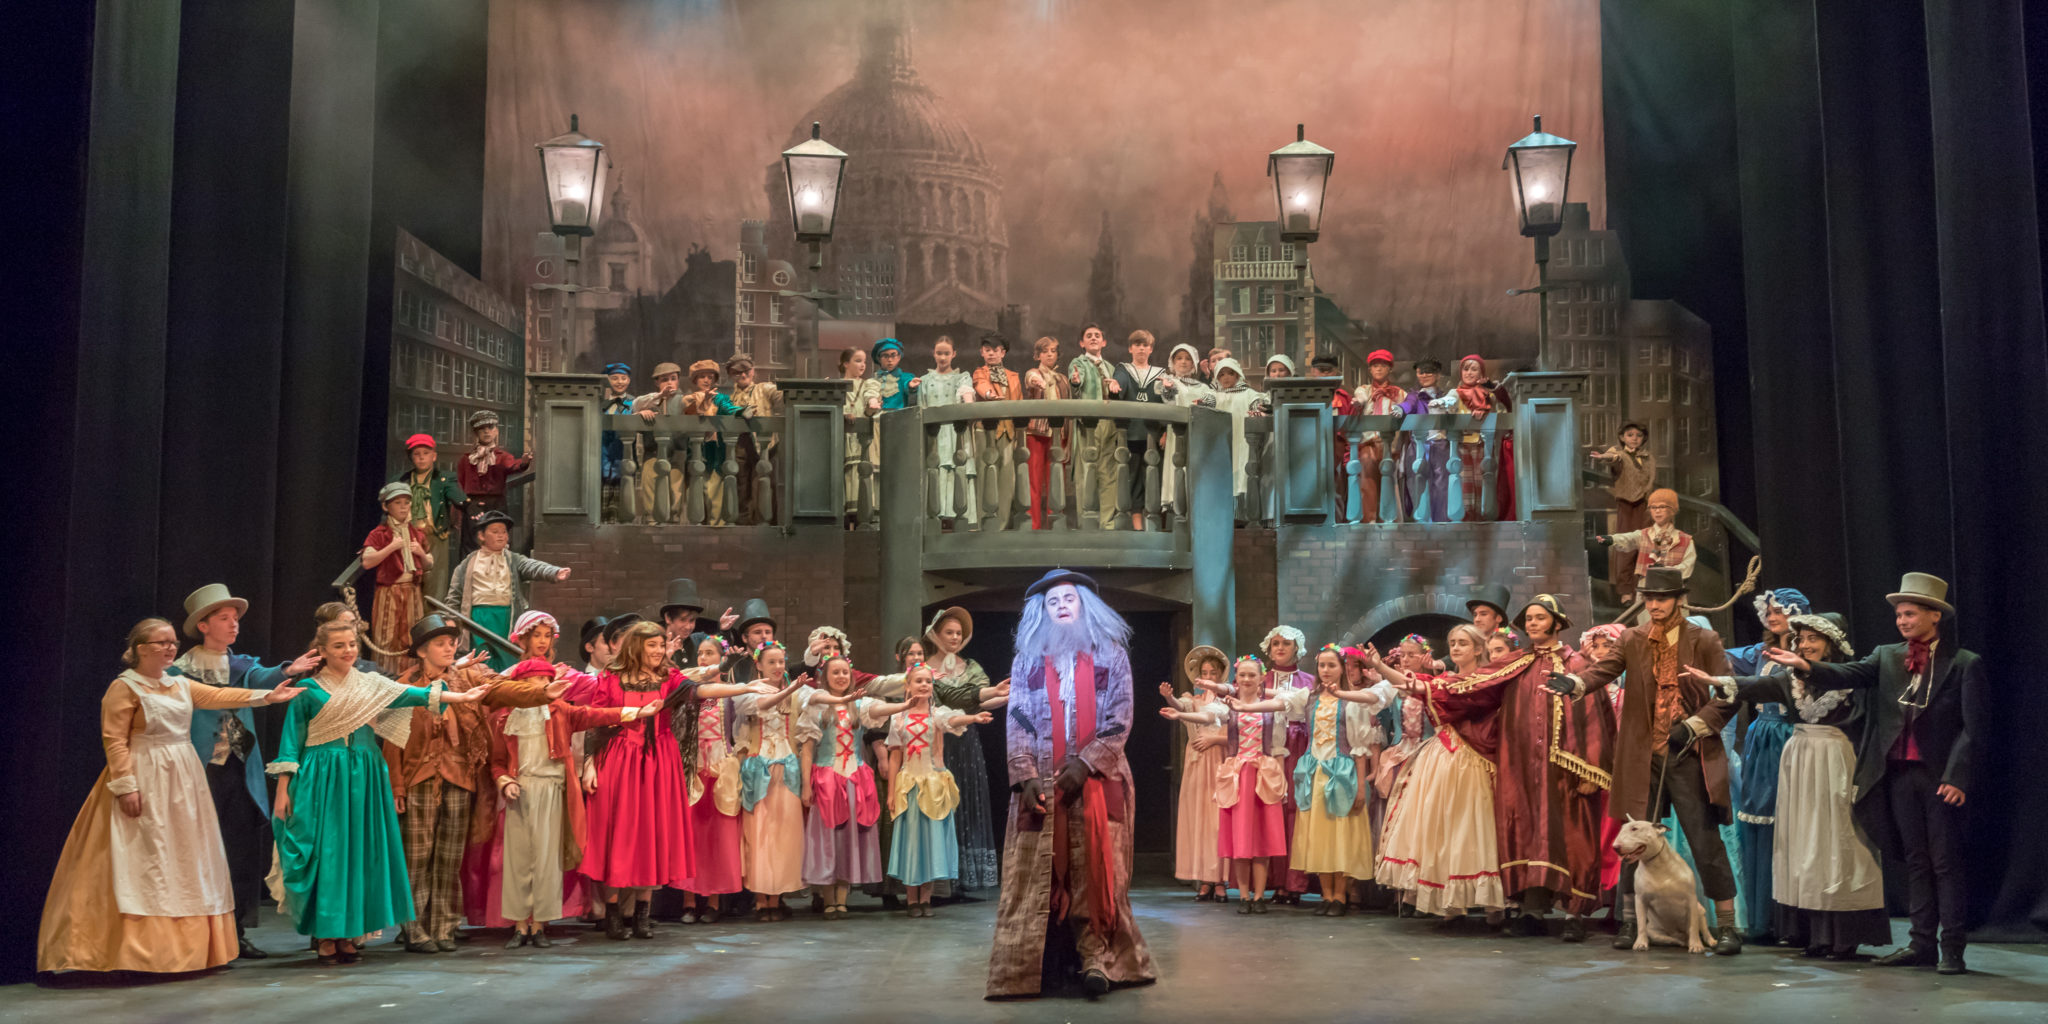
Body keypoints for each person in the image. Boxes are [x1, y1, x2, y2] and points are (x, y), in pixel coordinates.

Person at [36, 619, 304, 975]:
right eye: (161, 642)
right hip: (145, 771)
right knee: (144, 857)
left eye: (172, 642)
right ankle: (137, 951)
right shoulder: (125, 687)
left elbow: (218, 696)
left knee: (185, 857)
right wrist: (125, 785)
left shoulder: (179, 683)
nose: (169, 648)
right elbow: (114, 740)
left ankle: (188, 951)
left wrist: (267, 697)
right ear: (140, 649)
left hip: (183, 778)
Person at [1767, 572, 1986, 975]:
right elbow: (1849, 674)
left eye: (1910, 614)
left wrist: (1957, 777)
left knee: (1945, 864)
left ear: (1934, 616)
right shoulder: (1886, 656)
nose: (1902, 621)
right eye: (1899, 615)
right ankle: (1921, 944)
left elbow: (1973, 728)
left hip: (1938, 778)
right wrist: (1805, 666)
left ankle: (1952, 947)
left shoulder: (1963, 663)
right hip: (1897, 775)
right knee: (1915, 861)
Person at [269, 618, 493, 964]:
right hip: (323, 779)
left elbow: (414, 694)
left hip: (364, 777)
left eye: (352, 644)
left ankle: (349, 933)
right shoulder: (308, 691)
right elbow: (291, 743)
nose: (348, 651)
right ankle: (326, 933)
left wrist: (461, 695)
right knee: (329, 856)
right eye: (339, 646)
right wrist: (283, 789)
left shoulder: (370, 684)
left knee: (358, 855)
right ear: (323, 651)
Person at [1548, 567, 1740, 954]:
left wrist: (1695, 726)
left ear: (1679, 600)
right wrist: (1577, 682)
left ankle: (1727, 927)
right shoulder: (1633, 639)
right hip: (1642, 756)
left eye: (1662, 598)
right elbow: (1605, 669)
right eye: (1649, 598)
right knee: (1633, 840)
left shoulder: (1703, 639)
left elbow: (1729, 691)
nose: (1654, 605)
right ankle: (1630, 923)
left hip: (1687, 754)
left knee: (1704, 840)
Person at [988, 570, 1154, 999]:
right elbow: (1018, 718)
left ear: (1083, 605)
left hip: (1098, 780)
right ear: (1042, 612)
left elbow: (1120, 716)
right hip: (1041, 780)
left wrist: (1086, 762)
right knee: (1037, 873)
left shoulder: (1111, 655)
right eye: (1052, 602)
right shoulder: (1027, 659)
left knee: (1099, 871)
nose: (1061, 606)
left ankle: (1097, 958)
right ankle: (1035, 964)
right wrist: (1024, 774)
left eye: (1068, 599)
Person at [1691, 611, 1890, 960]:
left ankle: (1845, 935)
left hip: (1836, 762)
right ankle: (1815, 934)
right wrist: (1717, 679)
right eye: (1802, 639)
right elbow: (1756, 686)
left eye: (1814, 639)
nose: (1805, 645)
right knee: (1804, 847)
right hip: (1800, 763)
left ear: (1832, 643)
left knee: (1838, 845)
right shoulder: (1791, 679)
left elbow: (1872, 725)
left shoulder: (1853, 677)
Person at [570, 620, 768, 940]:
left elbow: (700, 690)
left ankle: (642, 913)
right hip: (619, 759)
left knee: (652, 834)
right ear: (636, 646)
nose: (658, 650)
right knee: (617, 834)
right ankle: (613, 912)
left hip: (658, 760)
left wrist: (743, 687)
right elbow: (596, 723)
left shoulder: (668, 677)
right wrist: (590, 765)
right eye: (652, 645)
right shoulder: (611, 678)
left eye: (661, 645)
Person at [386, 613, 567, 953]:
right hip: (418, 778)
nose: (448, 649)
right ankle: (414, 928)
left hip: (457, 776)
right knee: (417, 857)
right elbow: (393, 740)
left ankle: (444, 926)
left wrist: (542, 692)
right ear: (422, 651)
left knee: (449, 856)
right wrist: (396, 785)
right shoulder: (406, 683)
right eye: (440, 644)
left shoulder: (468, 676)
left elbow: (503, 688)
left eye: (451, 643)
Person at [1440, 595, 1615, 942]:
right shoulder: (1516, 663)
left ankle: (1574, 914)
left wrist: (1590, 770)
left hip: (1564, 770)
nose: (1533, 623)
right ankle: (1531, 910)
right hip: (1521, 767)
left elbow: (1596, 719)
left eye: (1540, 618)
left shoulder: (1578, 664)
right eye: (1529, 619)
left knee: (1572, 837)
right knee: (1527, 835)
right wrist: (1420, 685)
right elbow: (1477, 690)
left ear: (1557, 623)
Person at [169, 585, 320, 959]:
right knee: (201, 851)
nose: (233, 624)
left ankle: (234, 933)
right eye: (224, 618)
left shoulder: (240, 666)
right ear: (203, 626)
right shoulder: (180, 671)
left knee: (238, 851)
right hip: (201, 770)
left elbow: (263, 676)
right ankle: (197, 934)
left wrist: (288, 670)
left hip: (239, 771)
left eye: (235, 618)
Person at [487, 658, 654, 948]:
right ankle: (519, 925)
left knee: (546, 860)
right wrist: (505, 782)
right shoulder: (505, 718)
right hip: (521, 790)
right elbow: (498, 762)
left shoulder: (560, 711)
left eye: (546, 680)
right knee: (517, 861)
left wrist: (636, 712)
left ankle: (539, 925)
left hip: (553, 789)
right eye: (536, 680)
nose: (543, 685)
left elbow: (595, 715)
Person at [1230, 644, 1396, 915]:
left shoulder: (1352, 701)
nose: (1326, 670)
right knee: (1319, 836)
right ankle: (1326, 895)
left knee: (1341, 836)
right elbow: (1279, 702)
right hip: (1313, 773)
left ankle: (1340, 896)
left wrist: (1360, 787)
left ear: (1342, 669)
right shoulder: (1309, 697)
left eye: (1332, 665)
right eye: (1322, 666)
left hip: (1342, 773)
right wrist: (1246, 705)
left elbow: (1360, 744)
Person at [1368, 625, 1507, 922]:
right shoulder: (1444, 680)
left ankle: (1492, 904)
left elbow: (1424, 686)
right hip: (1442, 757)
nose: (1455, 648)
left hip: (1474, 759)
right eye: (1452, 643)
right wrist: (1380, 666)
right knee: (1442, 828)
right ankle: (1450, 901)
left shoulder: (1486, 680)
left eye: (1463, 643)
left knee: (1474, 827)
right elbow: (1414, 683)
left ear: (1478, 649)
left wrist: (1386, 670)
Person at [1725, 586, 1811, 944]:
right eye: (1769, 612)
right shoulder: (1759, 652)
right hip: (1761, 737)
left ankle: (1791, 920)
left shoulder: (1807, 650)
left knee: (1786, 821)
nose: (1773, 617)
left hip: (1790, 737)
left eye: (1780, 611)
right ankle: (1763, 918)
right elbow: (1721, 655)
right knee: (1758, 818)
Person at [884, 661, 1000, 917]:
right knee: (911, 843)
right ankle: (911, 899)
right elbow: (894, 756)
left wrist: (973, 717)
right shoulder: (898, 718)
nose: (924, 685)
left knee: (930, 842)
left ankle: (925, 899)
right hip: (909, 785)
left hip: (933, 785)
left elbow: (953, 719)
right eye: (919, 681)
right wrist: (891, 792)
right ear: (908, 685)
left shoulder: (936, 714)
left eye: (928, 681)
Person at [801, 654, 889, 918]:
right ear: (825, 677)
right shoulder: (816, 705)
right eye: (835, 672)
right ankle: (828, 898)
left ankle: (842, 899)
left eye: (845, 672)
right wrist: (806, 786)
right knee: (828, 840)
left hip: (854, 779)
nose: (841, 677)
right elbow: (807, 750)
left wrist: (907, 704)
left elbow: (881, 711)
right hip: (827, 779)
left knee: (849, 840)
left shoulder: (858, 706)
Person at [924, 606, 1002, 893]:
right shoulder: (924, 668)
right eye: (949, 632)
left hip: (966, 741)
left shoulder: (971, 667)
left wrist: (1008, 696)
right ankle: (940, 878)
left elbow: (982, 700)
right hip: (935, 741)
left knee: (966, 798)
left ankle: (965, 877)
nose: (955, 637)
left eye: (959, 633)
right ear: (936, 634)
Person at [445, 509, 570, 670]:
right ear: (481, 535)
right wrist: (450, 621)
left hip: (507, 617)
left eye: (504, 532)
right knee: (482, 661)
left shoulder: (513, 559)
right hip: (478, 618)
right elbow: (454, 596)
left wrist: (554, 572)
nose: (501, 536)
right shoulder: (467, 564)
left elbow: (532, 566)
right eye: (495, 532)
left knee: (508, 658)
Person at [674, 636, 743, 924]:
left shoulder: (731, 694)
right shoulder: (689, 690)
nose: (703, 658)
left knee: (718, 838)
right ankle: (689, 902)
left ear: (722, 658)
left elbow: (740, 731)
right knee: (692, 837)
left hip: (721, 770)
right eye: (700, 653)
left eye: (709, 653)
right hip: (694, 769)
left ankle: (713, 901)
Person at [1159, 646, 1229, 901]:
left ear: (1220, 676)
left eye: (1213, 673)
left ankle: (1219, 879)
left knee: (1216, 822)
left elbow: (1234, 732)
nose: (1208, 677)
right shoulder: (1194, 700)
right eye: (1204, 673)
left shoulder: (1227, 702)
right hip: (1196, 764)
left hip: (1218, 761)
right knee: (1198, 820)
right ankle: (1204, 879)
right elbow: (1181, 706)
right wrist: (1170, 699)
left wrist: (1214, 739)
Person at [1258, 626, 1315, 902]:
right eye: (1275, 643)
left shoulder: (1309, 681)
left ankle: (1295, 883)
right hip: (1266, 747)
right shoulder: (1259, 679)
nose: (1280, 648)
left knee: (1295, 810)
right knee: (1270, 811)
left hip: (1297, 747)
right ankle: (1274, 881)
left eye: (1286, 643)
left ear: (1297, 648)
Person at [363, 481, 433, 674]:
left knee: (412, 636)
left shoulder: (416, 534)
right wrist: (391, 547)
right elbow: (367, 561)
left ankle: (409, 678)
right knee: (386, 637)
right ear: (386, 507)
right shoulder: (379, 534)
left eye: (406, 502)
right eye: (397, 503)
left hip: (412, 590)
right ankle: (385, 677)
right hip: (389, 590)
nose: (403, 507)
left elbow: (429, 564)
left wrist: (420, 553)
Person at [1112, 329, 1177, 529]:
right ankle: (1137, 527)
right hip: (1130, 435)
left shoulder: (1161, 374)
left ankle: (1152, 525)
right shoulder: (1123, 370)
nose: (1141, 348)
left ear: (1151, 349)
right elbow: (1119, 385)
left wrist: (1165, 431)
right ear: (1130, 348)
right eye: (1137, 345)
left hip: (1153, 436)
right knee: (1132, 482)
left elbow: (1168, 403)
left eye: (1145, 345)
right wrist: (1115, 387)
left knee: (1153, 480)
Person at [1437, 354, 1510, 521]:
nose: (1469, 373)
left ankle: (1483, 513)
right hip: (1462, 444)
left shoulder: (1487, 394)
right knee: (1464, 480)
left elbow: (1500, 409)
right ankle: (1467, 514)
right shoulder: (1456, 393)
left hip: (1482, 444)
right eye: (1466, 369)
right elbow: (1449, 402)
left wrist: (1484, 409)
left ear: (1481, 373)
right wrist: (1442, 403)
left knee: (1482, 478)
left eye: (1474, 369)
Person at [1589, 423, 1656, 602]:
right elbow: (1613, 457)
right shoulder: (1620, 455)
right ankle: (1626, 590)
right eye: (1630, 435)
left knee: (1645, 546)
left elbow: (1650, 480)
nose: (1634, 438)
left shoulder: (1648, 457)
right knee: (1626, 547)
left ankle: (1641, 588)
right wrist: (1603, 457)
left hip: (1645, 506)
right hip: (1627, 505)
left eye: (1638, 435)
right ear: (1622, 437)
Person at [918, 336, 979, 526]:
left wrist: (968, 403)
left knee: (956, 466)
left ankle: (958, 515)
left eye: (946, 353)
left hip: (955, 433)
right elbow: (921, 407)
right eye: (939, 353)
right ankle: (935, 517)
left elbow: (966, 393)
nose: (942, 357)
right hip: (933, 434)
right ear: (933, 354)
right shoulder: (925, 380)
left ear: (954, 354)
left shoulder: (961, 377)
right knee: (934, 468)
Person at [1068, 323, 1124, 529]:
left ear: (1104, 342)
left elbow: (1116, 390)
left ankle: (1106, 522)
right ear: (1082, 343)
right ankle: (1086, 521)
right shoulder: (1079, 363)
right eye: (1089, 336)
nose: (1093, 338)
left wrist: (1116, 388)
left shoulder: (1110, 367)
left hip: (1109, 423)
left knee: (1108, 472)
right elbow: (1077, 380)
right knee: (1087, 470)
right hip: (1089, 424)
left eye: (1097, 335)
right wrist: (1075, 381)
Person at [680, 360, 749, 526]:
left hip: (715, 453)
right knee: (695, 493)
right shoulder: (689, 398)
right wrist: (704, 402)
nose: (706, 380)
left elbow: (729, 408)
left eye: (710, 377)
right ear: (695, 380)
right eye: (702, 377)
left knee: (715, 492)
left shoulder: (720, 398)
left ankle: (716, 528)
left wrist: (741, 411)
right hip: (696, 452)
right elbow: (691, 413)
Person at [399, 433, 467, 599]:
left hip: (434, 535)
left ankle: (433, 614)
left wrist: (465, 503)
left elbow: (459, 498)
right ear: (411, 457)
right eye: (417, 454)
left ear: (434, 456)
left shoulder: (443, 479)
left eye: (426, 453)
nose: (421, 457)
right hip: (408, 536)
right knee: (408, 579)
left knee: (435, 581)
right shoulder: (403, 480)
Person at [971, 330, 1025, 531]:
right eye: (987, 350)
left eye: (995, 350)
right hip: (985, 431)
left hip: (1007, 431)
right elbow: (981, 385)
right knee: (984, 475)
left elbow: (1019, 403)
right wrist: (989, 395)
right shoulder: (980, 372)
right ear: (982, 353)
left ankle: (1001, 525)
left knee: (1006, 478)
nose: (991, 353)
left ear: (1003, 353)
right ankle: (982, 523)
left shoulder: (1013, 376)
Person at [1597, 488, 1696, 595]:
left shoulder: (1685, 540)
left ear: (1672, 510)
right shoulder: (1644, 535)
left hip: (1673, 593)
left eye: (1662, 507)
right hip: (1646, 592)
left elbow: (1687, 567)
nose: (1657, 511)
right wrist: (1612, 539)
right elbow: (1628, 539)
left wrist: (1665, 571)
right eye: (1653, 507)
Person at [1208, 358, 1271, 518]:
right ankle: (1224, 515)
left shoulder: (1247, 393)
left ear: (1237, 375)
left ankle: (1242, 515)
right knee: (1223, 476)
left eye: (1230, 373)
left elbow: (1258, 404)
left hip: (1241, 440)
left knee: (1243, 474)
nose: (1226, 378)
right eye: (1221, 374)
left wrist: (1257, 409)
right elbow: (1204, 404)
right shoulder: (1215, 395)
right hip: (1222, 442)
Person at [1021, 335, 1071, 529]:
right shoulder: (1034, 372)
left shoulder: (1062, 378)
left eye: (1053, 351)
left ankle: (1055, 522)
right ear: (1038, 355)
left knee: (1056, 481)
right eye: (1045, 351)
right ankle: (1033, 525)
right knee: (1034, 480)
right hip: (1037, 433)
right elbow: (1031, 379)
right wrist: (1037, 382)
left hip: (1058, 434)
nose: (1050, 354)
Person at [1350, 349, 1406, 523]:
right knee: (1367, 476)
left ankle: (1391, 520)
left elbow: (1406, 411)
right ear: (1370, 370)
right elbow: (1360, 398)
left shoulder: (1399, 393)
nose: (1379, 369)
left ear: (1390, 368)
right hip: (1370, 442)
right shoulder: (1364, 390)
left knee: (1390, 481)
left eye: (1383, 365)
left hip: (1390, 444)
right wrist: (1358, 402)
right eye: (1375, 366)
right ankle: (1370, 519)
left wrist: (1399, 446)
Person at [724, 355, 781, 525]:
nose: (743, 375)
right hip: (740, 446)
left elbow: (781, 394)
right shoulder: (730, 398)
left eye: (746, 371)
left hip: (765, 447)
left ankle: (765, 525)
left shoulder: (763, 389)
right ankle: (743, 525)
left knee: (764, 486)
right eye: (737, 372)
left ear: (753, 371)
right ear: (731, 375)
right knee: (741, 486)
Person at [630, 361, 689, 523]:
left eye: (673, 378)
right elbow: (635, 406)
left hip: (677, 450)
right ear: (657, 382)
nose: (669, 383)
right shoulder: (651, 401)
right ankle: (651, 518)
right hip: (653, 451)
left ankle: (673, 518)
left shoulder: (683, 400)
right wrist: (641, 414)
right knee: (650, 480)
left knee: (675, 488)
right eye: (664, 379)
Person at [459, 410, 531, 536]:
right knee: (473, 538)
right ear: (476, 433)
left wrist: (523, 462)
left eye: (490, 427)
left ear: (496, 431)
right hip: (473, 505)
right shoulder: (467, 459)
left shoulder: (502, 456)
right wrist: (467, 506)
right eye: (482, 428)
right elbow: (460, 484)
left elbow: (513, 466)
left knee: (497, 537)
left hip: (497, 504)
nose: (486, 431)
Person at [1398, 358, 1450, 522]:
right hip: (1419, 444)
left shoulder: (1445, 396)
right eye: (1421, 372)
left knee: (1441, 483)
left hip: (1440, 444)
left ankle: (1440, 521)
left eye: (1429, 371)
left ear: (1438, 375)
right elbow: (1408, 404)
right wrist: (1400, 409)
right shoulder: (1415, 396)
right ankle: (1422, 520)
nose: (1425, 375)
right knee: (1418, 481)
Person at [838, 348, 882, 524]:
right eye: (858, 361)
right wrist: (843, 415)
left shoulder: (868, 386)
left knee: (862, 474)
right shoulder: (837, 386)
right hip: (844, 441)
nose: (863, 365)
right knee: (846, 476)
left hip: (862, 441)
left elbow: (870, 411)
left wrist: (871, 409)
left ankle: (862, 518)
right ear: (845, 363)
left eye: (864, 361)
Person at [600, 362, 634, 520]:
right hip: (603, 454)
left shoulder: (633, 403)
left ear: (629, 380)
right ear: (608, 380)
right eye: (614, 378)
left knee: (622, 498)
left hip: (623, 454)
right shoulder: (601, 403)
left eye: (623, 378)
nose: (619, 382)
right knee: (602, 497)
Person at [872, 337, 918, 411]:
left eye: (893, 355)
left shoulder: (905, 378)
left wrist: (910, 386)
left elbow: (907, 385)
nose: (890, 360)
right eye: (885, 356)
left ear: (899, 357)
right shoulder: (874, 380)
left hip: (899, 416)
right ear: (879, 358)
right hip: (878, 417)